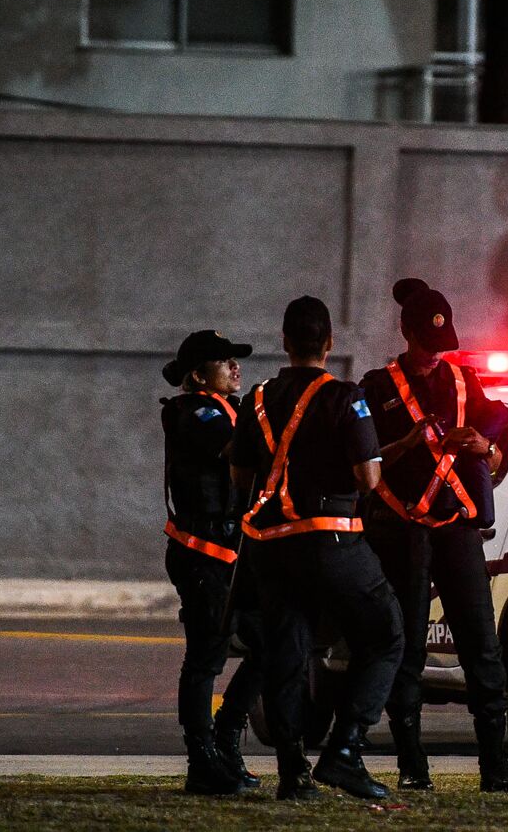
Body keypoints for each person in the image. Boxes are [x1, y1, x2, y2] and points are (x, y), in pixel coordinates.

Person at [229, 296, 405, 801]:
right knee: (386, 634)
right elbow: (369, 479)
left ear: (285, 342)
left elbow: (241, 477)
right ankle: (344, 751)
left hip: (271, 547)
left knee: (288, 651)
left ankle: (292, 773)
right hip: (332, 540)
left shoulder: (257, 398)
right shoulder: (346, 399)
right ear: (330, 343)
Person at [358, 278, 508, 793]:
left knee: (482, 644)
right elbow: (364, 462)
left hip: (456, 531)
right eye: (427, 346)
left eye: (441, 345)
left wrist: (484, 449)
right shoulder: (376, 386)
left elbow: (497, 448)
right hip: (401, 531)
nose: (435, 356)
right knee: (405, 646)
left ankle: (495, 768)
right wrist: (406, 442)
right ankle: (412, 766)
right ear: (406, 333)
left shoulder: (464, 381)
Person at [159, 330, 264, 795]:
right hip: (202, 555)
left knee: (270, 644)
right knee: (205, 657)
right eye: (225, 363)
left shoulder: (231, 410)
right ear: (200, 376)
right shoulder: (195, 412)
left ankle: (226, 736)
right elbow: (237, 449)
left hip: (232, 554)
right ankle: (201, 759)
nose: (235, 368)